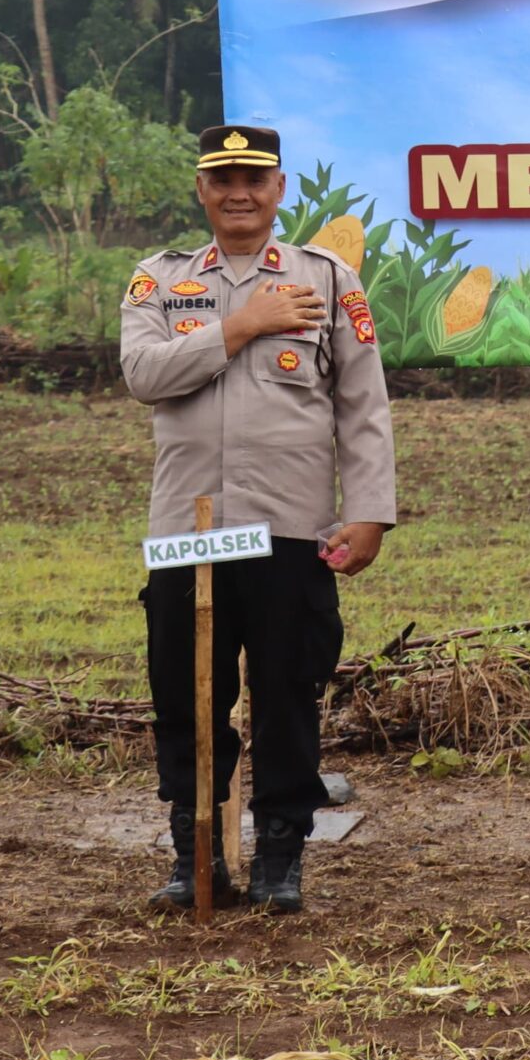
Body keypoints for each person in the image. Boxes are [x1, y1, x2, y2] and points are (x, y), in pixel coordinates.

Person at [121, 124, 396, 914]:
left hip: (289, 527)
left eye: (254, 178)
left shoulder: (328, 276)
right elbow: (143, 373)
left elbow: (363, 405)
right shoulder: (160, 281)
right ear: (201, 191)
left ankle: (281, 856)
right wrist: (241, 325)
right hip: (187, 528)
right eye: (222, 179)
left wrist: (370, 513)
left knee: (286, 689)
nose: (238, 192)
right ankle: (195, 854)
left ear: (279, 190)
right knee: (185, 695)